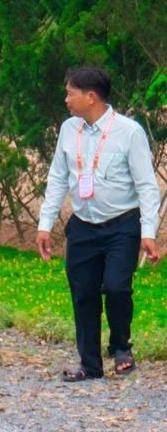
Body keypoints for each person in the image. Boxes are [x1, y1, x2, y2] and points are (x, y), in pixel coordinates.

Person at [37, 66, 161, 380]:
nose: (66, 99)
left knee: (117, 288)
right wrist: (44, 224)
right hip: (83, 226)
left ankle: (121, 346)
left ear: (90, 97)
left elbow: (146, 185)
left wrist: (148, 232)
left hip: (122, 225)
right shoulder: (69, 129)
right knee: (83, 293)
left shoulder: (129, 131)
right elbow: (57, 179)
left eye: (70, 93)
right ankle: (89, 364)